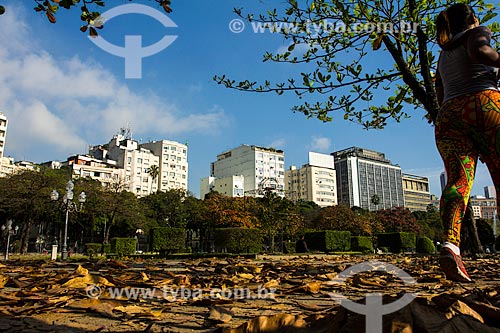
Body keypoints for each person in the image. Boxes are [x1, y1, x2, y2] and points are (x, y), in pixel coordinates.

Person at [434, 3, 500, 282]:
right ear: (473, 19)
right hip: (487, 106)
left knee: (457, 181)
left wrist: (446, 110)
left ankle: (451, 245)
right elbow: (481, 52)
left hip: (449, 115)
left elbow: (439, 89)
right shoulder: (477, 33)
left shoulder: (443, 55)